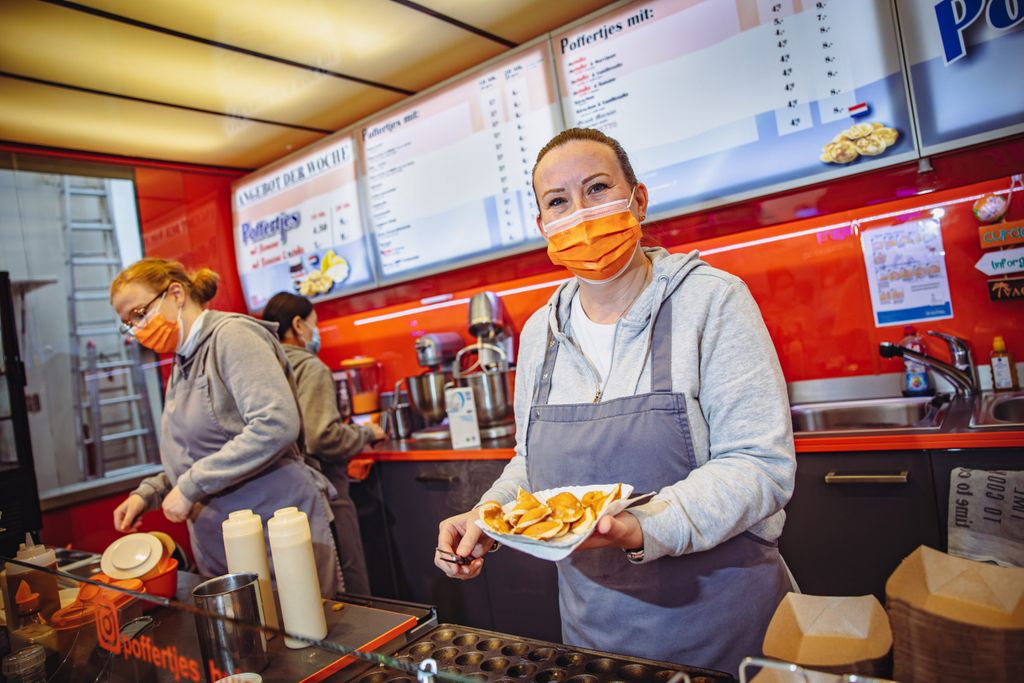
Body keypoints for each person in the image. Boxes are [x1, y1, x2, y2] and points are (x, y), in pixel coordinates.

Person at [434, 128, 796, 675]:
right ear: (543, 226)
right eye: (558, 201)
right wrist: (489, 515)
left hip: (724, 624)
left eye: (597, 189)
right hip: (595, 634)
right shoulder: (539, 334)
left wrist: (642, 525)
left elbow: (759, 464)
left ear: (638, 199)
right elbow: (532, 465)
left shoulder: (713, 300)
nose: (579, 215)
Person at [109, 258, 342, 597]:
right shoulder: (184, 358)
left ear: (176, 294)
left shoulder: (232, 337)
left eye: (140, 313)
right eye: (129, 324)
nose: (139, 329)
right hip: (227, 540)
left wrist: (190, 486)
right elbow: (201, 449)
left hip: (274, 531)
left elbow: (275, 424)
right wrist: (150, 492)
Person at [262, 291, 385, 596]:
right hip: (324, 494)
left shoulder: (262, 368)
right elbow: (323, 437)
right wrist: (367, 433)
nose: (316, 332)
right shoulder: (310, 367)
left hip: (279, 500)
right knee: (349, 585)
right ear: (298, 325)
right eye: (314, 324)